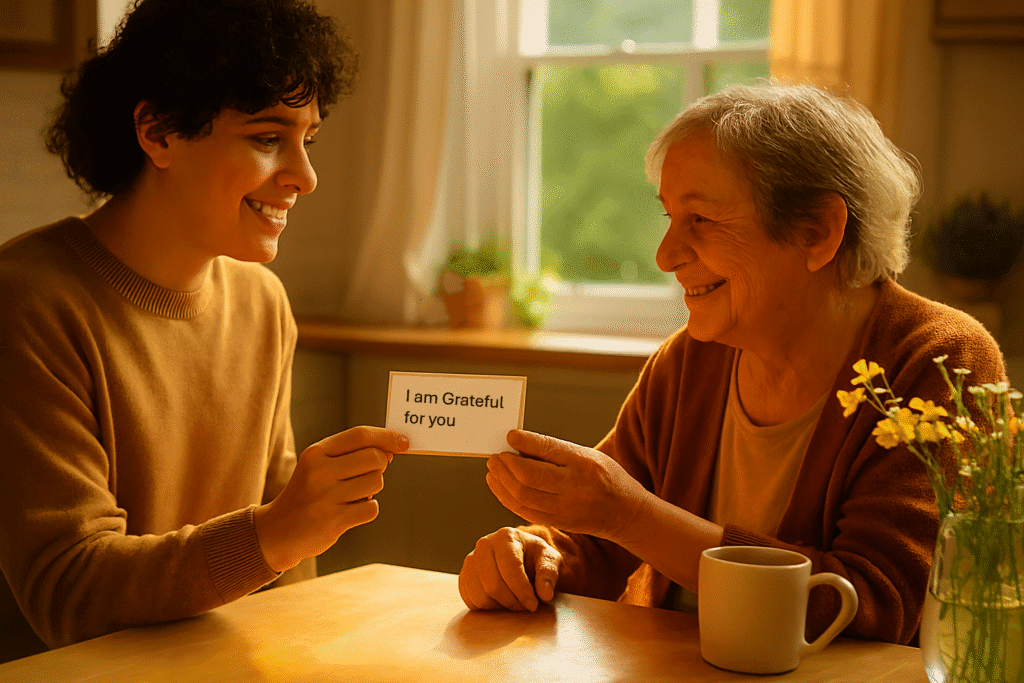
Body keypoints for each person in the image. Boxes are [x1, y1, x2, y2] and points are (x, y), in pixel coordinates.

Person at [457, 82, 1006, 645]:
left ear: (817, 231)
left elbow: (874, 606)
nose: (665, 255)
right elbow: (601, 539)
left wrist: (631, 516)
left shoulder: (939, 361)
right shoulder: (692, 359)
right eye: (669, 216)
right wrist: (535, 554)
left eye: (701, 219)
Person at [0, 0, 407, 662]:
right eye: (267, 137)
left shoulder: (261, 303)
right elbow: (68, 589)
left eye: (309, 139)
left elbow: (285, 573)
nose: (305, 177)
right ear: (157, 131)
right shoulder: (29, 299)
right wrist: (273, 533)